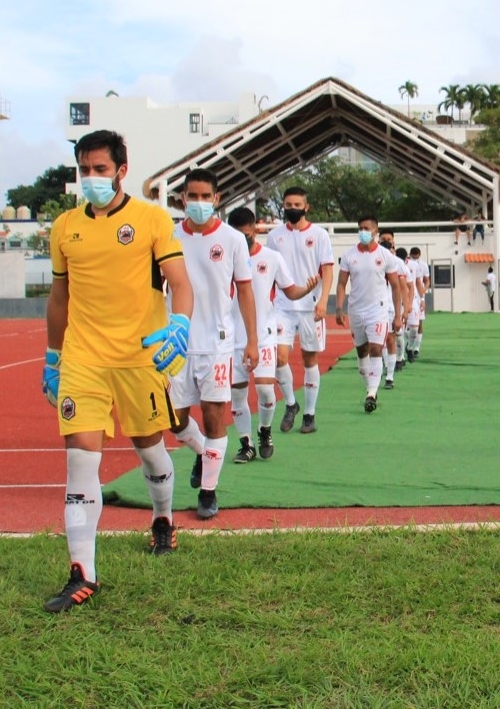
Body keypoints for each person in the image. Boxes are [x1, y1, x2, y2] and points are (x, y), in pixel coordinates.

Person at [40, 129, 194, 612]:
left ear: (122, 171)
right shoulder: (65, 226)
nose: (91, 178)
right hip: (83, 360)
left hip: (139, 358)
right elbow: (60, 296)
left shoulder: (150, 219)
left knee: (150, 451)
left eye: (100, 170)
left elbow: (179, 283)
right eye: (84, 170)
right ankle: (82, 573)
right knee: (81, 460)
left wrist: (181, 322)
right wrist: (52, 355)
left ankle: (163, 519)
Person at [169, 169, 259, 520]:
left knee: (213, 416)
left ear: (217, 199)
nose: (200, 203)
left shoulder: (234, 240)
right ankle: (201, 452)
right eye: (193, 196)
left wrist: (251, 340)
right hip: (177, 342)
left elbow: (246, 290)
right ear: (183, 199)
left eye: (206, 196)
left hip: (218, 343)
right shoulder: (169, 236)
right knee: (174, 418)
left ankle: (208, 492)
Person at [226, 207, 318, 463]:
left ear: (255, 230)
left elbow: (289, 291)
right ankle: (245, 444)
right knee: (237, 395)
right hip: (233, 338)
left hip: (264, 335)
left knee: (266, 392)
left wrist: (306, 290)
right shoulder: (224, 258)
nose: (243, 240)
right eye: (238, 236)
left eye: (247, 235)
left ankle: (264, 431)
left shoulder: (272, 258)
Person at [265, 186, 335, 434]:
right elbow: (270, 270)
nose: (292, 209)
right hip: (282, 307)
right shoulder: (274, 236)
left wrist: (324, 300)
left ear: (306, 207)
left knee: (309, 358)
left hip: (310, 307)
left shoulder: (319, 235)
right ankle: (292, 404)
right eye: (288, 205)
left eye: (297, 205)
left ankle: (309, 413)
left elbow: (327, 269)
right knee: (278, 357)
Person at [335, 215, 403, 413]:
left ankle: (371, 393)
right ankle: (369, 387)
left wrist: (398, 315)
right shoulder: (349, 255)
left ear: (375, 231)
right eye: (360, 228)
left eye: (366, 228)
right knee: (361, 351)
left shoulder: (385, 256)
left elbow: (396, 287)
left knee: (375, 349)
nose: (362, 232)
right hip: (356, 309)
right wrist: (339, 308)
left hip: (378, 310)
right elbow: (341, 283)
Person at [376, 229, 411, 390]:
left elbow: (403, 287)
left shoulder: (397, 263)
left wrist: (405, 307)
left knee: (390, 338)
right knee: (379, 341)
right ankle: (385, 366)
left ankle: (390, 375)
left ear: (393, 241)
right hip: (374, 306)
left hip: (390, 306)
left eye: (388, 239)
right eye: (383, 239)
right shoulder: (371, 259)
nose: (386, 241)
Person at [406, 246, 430, 360]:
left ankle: (416, 348)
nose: (415, 259)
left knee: (418, 323)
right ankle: (405, 349)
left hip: (417, 296)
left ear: (419, 255)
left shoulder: (423, 265)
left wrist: (423, 295)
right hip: (406, 296)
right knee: (404, 326)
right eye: (413, 257)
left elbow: (425, 281)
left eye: (417, 257)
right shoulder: (406, 264)